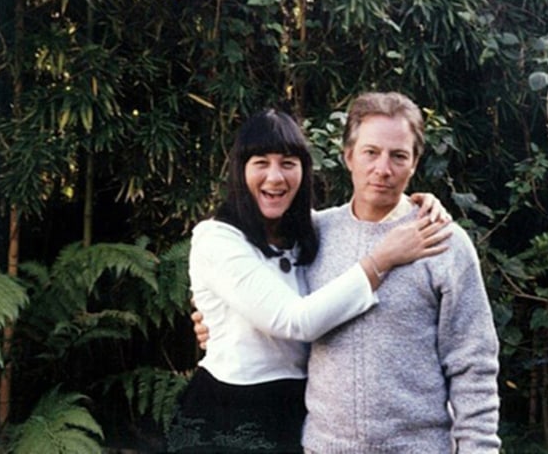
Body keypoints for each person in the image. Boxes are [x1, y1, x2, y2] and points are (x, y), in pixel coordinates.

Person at [196, 92, 501, 452]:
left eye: (398, 155)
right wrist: (216, 320)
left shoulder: (441, 242)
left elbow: (473, 364)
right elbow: (280, 310)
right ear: (348, 156)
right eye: (371, 152)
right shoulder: (313, 235)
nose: (382, 169)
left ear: (415, 163)